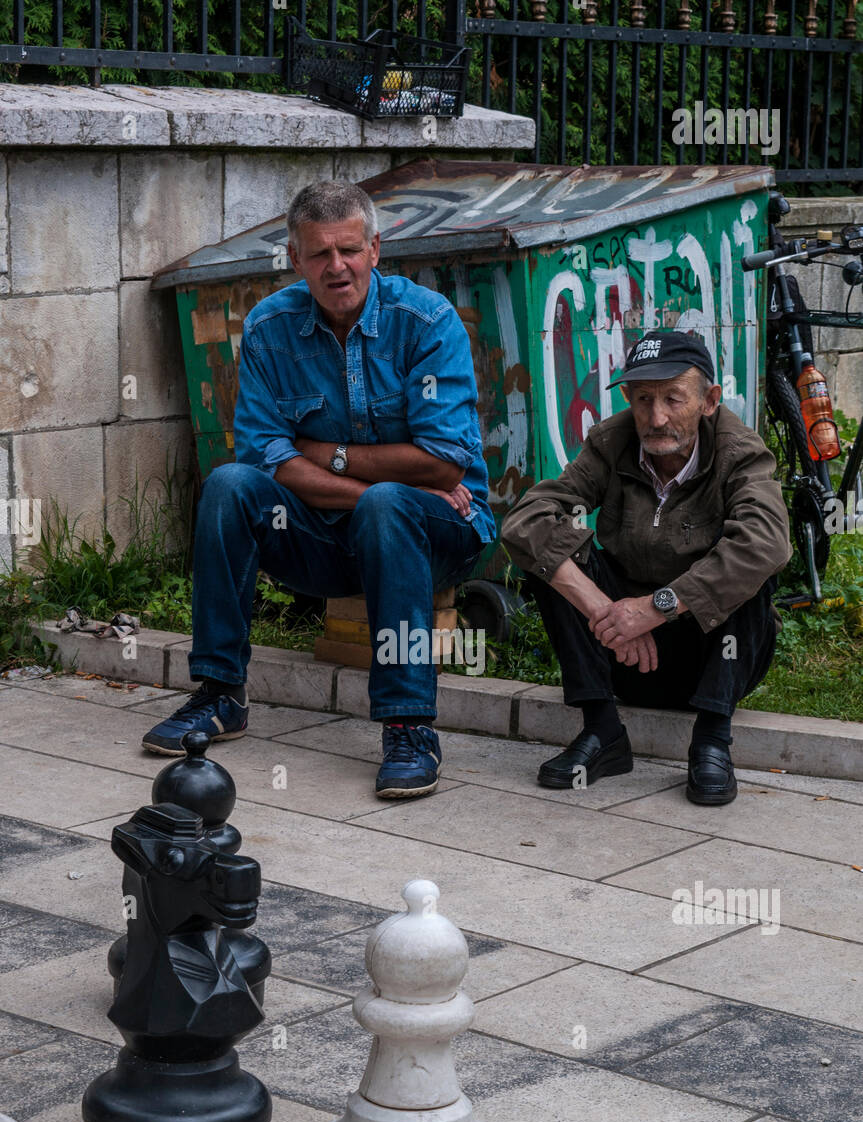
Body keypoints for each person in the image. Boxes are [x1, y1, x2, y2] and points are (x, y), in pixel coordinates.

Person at [142, 180, 495, 799]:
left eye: (350, 250)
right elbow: (266, 461)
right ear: (295, 257)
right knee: (229, 485)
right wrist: (370, 493)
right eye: (319, 254)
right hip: (328, 535)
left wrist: (325, 457)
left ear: (376, 250)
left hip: (444, 528)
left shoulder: (426, 322)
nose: (337, 267)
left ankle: (410, 726)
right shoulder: (269, 330)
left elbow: (444, 467)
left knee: (390, 508)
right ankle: (220, 694)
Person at [500, 330, 792, 806]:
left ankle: (712, 741)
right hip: (622, 649)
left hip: (710, 655)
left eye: (674, 399)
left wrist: (657, 608)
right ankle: (602, 732)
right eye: (643, 399)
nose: (656, 418)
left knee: (749, 562)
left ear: (709, 400)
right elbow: (526, 520)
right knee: (551, 550)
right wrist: (607, 610)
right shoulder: (612, 442)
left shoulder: (739, 453)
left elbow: (766, 543)